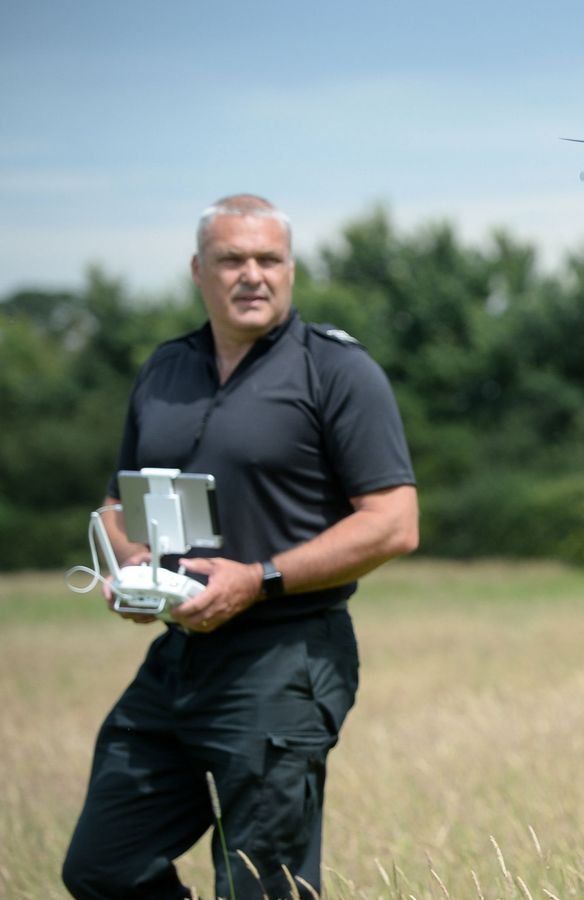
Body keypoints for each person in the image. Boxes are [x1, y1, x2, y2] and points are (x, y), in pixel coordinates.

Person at [61, 195, 419, 899]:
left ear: (290, 269)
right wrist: (132, 566)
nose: (251, 274)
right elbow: (116, 503)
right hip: (177, 659)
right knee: (103, 868)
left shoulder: (338, 371)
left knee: (261, 887)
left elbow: (393, 522)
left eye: (268, 259)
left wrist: (259, 578)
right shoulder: (165, 370)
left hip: (285, 657)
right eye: (232, 259)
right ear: (200, 270)